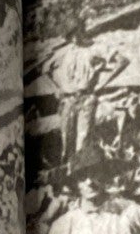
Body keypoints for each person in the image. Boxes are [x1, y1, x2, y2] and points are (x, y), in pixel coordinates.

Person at [45, 18, 128, 167]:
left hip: (86, 99)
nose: (75, 38)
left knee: (82, 142)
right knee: (66, 141)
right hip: (68, 100)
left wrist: (103, 82)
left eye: (77, 33)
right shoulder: (66, 51)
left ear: (82, 31)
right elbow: (46, 69)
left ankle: (83, 177)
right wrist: (58, 88)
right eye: (71, 35)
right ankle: (69, 178)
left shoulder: (95, 48)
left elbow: (122, 61)